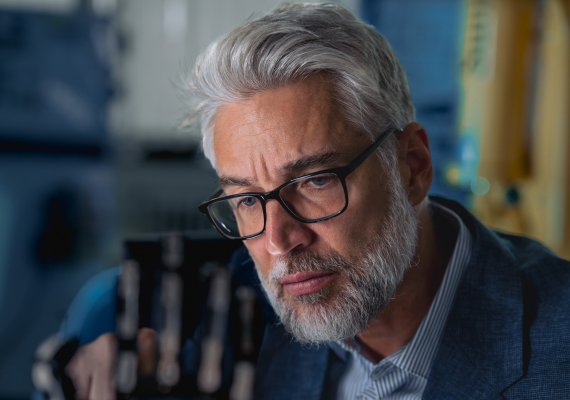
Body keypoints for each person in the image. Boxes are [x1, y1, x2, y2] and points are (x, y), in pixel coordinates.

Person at [50, 3, 570, 399]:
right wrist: (78, 368)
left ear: (412, 167)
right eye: (247, 200)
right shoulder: (228, 317)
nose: (278, 241)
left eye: (316, 180)